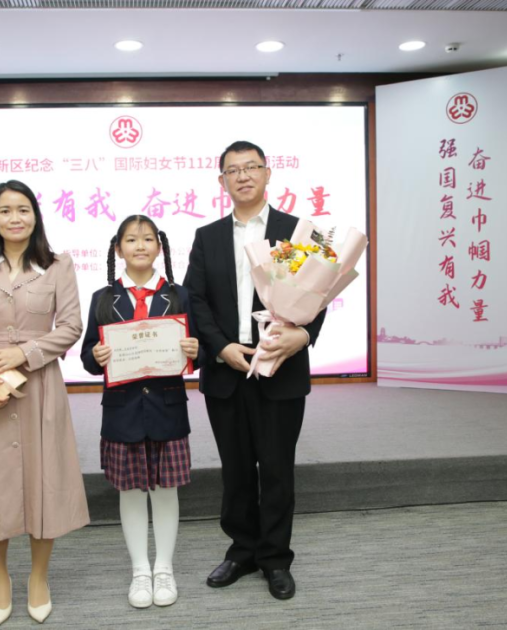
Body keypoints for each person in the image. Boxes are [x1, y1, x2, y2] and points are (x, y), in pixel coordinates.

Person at [183, 141, 326, 601]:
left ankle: (275, 559)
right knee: (237, 470)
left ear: (268, 173)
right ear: (221, 181)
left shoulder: (297, 231)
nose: (243, 176)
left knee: (278, 469)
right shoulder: (207, 236)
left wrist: (304, 335)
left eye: (251, 167)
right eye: (233, 170)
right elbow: (195, 300)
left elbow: (320, 292)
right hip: (228, 371)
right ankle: (242, 551)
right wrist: (221, 346)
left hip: (281, 368)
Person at [0, 179, 89, 626]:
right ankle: (0, 579)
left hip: (39, 388)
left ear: (36, 216)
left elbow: (71, 327)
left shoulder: (58, 266)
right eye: (5, 210)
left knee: (45, 483)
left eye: (23, 209)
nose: (15, 218)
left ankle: (38, 578)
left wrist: (23, 353)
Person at [80, 215, 199, 609]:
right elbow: (87, 358)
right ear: (119, 249)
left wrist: (195, 351)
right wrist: (97, 356)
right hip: (123, 412)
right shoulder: (103, 298)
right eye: (131, 240)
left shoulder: (178, 295)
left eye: (148, 239)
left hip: (167, 409)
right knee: (130, 493)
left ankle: (164, 569)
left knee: (166, 492)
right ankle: (140, 571)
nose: (140, 246)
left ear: (159, 247)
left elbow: (198, 350)